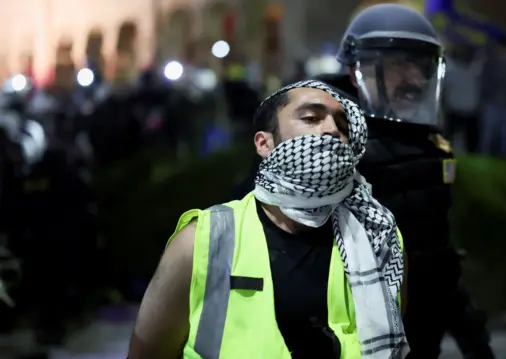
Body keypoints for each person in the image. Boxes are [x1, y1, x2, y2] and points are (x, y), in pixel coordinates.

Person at [129, 80, 410, 359]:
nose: (332, 130)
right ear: (264, 143)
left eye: (343, 125)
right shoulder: (201, 242)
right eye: (311, 118)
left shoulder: (380, 238)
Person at [306, 4, 494, 359]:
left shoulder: (430, 147)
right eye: (399, 63)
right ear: (356, 70)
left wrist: (476, 342)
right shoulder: (327, 146)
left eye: (421, 65)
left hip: (420, 335)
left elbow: (435, 258)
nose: (415, 78)